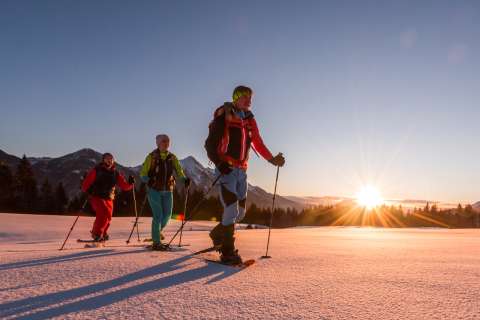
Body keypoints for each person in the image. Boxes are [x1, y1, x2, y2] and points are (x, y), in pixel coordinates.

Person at [205, 85, 285, 264]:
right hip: (226, 169)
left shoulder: (249, 120)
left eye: (251, 98)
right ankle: (227, 251)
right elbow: (210, 144)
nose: (249, 100)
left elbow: (257, 141)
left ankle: (218, 233)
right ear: (236, 98)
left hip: (242, 170)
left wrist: (272, 159)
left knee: (240, 213)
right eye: (245, 97)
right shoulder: (224, 115)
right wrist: (219, 163)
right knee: (231, 208)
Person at [140, 134, 191, 250]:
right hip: (154, 190)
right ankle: (156, 242)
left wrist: (184, 179)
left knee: (167, 215)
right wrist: (148, 181)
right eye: (163, 141)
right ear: (158, 143)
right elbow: (143, 173)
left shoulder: (172, 158)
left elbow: (179, 171)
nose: (166, 143)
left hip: (168, 189)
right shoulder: (151, 157)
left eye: (168, 141)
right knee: (158, 215)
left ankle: (156, 233)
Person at [82, 152, 135, 242]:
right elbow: (85, 184)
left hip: (109, 198)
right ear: (103, 160)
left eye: (111, 159)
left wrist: (130, 184)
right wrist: (89, 190)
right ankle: (97, 234)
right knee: (103, 213)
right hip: (97, 197)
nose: (109, 161)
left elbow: (124, 186)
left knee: (108, 217)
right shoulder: (97, 170)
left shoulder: (115, 173)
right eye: (107, 159)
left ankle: (103, 233)